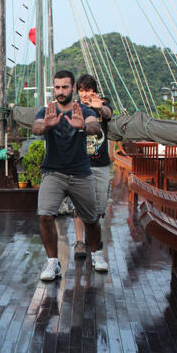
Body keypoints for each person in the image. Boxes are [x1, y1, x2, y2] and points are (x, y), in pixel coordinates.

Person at [32, 70, 102, 281]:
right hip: (54, 172)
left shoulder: (83, 109)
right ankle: (53, 262)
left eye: (65, 87)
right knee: (45, 215)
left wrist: (84, 126)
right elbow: (35, 127)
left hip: (80, 172)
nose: (61, 91)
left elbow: (95, 126)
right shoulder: (47, 111)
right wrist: (46, 124)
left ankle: (97, 254)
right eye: (57, 87)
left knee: (90, 219)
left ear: (73, 88)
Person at [71, 75, 112, 272]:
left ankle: (92, 239)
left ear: (94, 90)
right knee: (79, 206)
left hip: (101, 163)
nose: (85, 94)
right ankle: (80, 241)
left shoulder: (102, 103)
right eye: (81, 90)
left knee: (99, 208)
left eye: (88, 90)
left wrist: (98, 106)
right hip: (80, 164)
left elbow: (108, 114)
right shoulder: (75, 107)